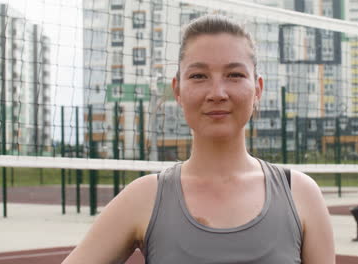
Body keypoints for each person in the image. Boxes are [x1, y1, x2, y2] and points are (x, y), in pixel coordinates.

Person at [62, 14, 335, 264]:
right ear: (177, 90)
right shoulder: (144, 197)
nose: (217, 92)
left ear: (258, 89)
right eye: (199, 76)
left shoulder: (301, 194)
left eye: (235, 75)